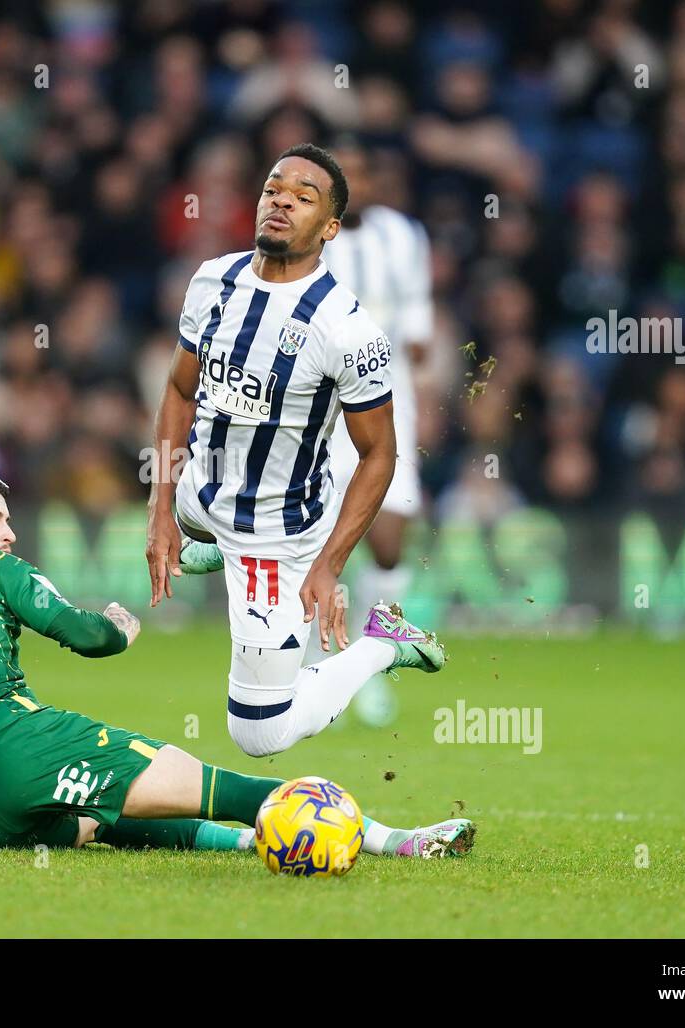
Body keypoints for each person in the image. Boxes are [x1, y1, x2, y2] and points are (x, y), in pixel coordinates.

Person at [0, 470, 475, 860]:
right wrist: (120, 630)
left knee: (105, 817)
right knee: (225, 785)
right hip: (10, 744)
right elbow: (83, 635)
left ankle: (246, 848)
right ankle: (400, 841)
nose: (8, 532)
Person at [146, 143, 446, 759]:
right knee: (187, 512)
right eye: (273, 189)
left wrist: (330, 565)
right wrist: (160, 509)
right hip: (202, 496)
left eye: (304, 197)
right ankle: (206, 543)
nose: (281, 200)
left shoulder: (349, 331)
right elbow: (179, 390)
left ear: (329, 226)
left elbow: (379, 457)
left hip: (274, 530)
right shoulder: (211, 281)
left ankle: (382, 644)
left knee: (259, 735)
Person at [317, 137, 434, 727]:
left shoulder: (404, 235)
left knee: (389, 536)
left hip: (392, 398)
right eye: (345, 176)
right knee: (315, 532)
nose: (355, 184)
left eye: (364, 172)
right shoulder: (309, 241)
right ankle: (314, 663)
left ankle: (373, 658)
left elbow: (418, 324)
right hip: (322, 404)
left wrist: (416, 358)